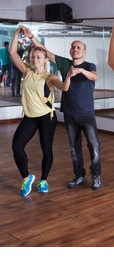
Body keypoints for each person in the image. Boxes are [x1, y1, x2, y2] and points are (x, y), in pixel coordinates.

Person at [24, 28, 102, 190]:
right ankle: (79, 175)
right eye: (73, 47)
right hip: (69, 114)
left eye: (78, 47)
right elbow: (46, 52)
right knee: (74, 148)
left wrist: (80, 71)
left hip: (87, 114)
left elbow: (94, 77)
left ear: (84, 52)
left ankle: (96, 176)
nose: (75, 49)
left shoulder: (89, 65)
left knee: (94, 147)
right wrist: (32, 37)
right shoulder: (65, 64)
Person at [10, 25, 72, 196]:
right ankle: (26, 178)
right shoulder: (27, 71)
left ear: (45, 59)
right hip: (30, 117)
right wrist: (16, 33)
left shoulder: (50, 77)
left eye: (38, 57)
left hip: (46, 117)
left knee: (46, 150)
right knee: (17, 146)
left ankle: (43, 180)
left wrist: (68, 77)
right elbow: (12, 53)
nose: (35, 59)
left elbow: (64, 88)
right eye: (32, 57)